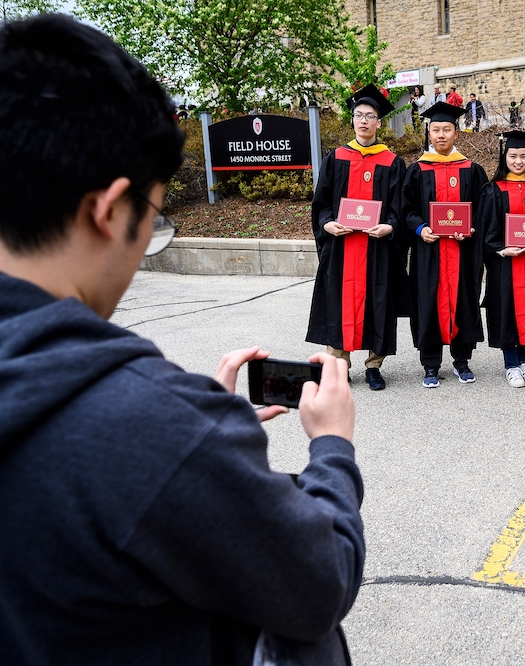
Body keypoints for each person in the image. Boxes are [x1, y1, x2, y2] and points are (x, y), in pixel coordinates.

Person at [0, 14, 364, 665]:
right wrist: (331, 445)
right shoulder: (150, 427)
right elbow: (318, 581)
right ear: (110, 211)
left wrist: (195, 423)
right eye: (154, 217)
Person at [306, 84, 408, 391]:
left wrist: (390, 226)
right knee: (338, 301)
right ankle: (338, 365)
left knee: (378, 300)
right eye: (359, 115)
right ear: (352, 120)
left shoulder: (392, 162)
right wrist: (327, 224)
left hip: (377, 248)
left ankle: (374, 366)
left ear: (379, 122)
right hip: (342, 246)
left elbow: (398, 207)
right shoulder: (336, 158)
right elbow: (321, 203)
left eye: (370, 116)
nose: (364, 120)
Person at [402, 101, 488, 387]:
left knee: (464, 299)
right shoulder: (417, 171)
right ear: (429, 134)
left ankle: (462, 361)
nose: (441, 135)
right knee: (428, 301)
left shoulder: (472, 170)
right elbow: (406, 208)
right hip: (430, 252)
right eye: (436, 130)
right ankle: (430, 365)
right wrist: (420, 228)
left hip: (463, 252)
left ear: (456, 133)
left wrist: (471, 226)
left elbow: (482, 207)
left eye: (446, 129)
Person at [481, 130, 525, 387]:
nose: (518, 161)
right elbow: (488, 230)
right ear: (505, 157)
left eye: (523, 156)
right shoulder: (494, 190)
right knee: (508, 311)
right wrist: (502, 249)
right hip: (506, 265)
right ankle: (511, 364)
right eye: (513, 156)